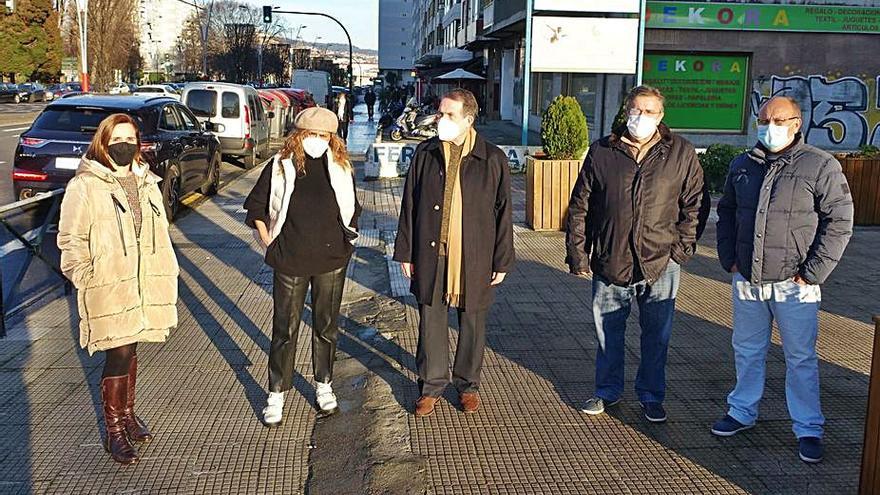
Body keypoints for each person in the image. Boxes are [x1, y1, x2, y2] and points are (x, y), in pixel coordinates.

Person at [711, 96, 853, 464]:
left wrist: (812, 272)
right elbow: (725, 212)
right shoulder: (743, 164)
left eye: (778, 119)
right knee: (746, 349)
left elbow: (839, 221)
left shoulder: (820, 165)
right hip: (748, 278)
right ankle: (742, 411)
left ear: (796, 122)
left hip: (796, 284)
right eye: (763, 119)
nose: (769, 126)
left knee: (801, 357)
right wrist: (730, 260)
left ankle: (808, 427)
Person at [566, 85, 709, 423]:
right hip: (611, 258)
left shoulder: (680, 152)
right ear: (625, 110)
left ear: (661, 117)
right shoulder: (603, 151)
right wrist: (578, 252)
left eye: (649, 112)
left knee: (657, 334)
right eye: (636, 110)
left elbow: (695, 205)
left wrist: (681, 250)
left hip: (661, 262)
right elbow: (580, 206)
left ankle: (651, 395)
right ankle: (607, 391)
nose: (641, 117)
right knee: (607, 332)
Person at [57, 113, 179, 465]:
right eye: (117, 139)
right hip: (108, 282)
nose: (124, 145)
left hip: (144, 279)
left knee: (133, 346)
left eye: (130, 138)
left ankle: (127, 415)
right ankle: (114, 431)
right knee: (118, 351)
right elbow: (70, 237)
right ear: (103, 142)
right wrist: (84, 275)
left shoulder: (146, 180)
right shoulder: (86, 185)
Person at [393, 88, 514, 417]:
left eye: (448, 115)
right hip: (431, 251)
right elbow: (410, 205)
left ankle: (467, 384)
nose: (440, 120)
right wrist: (405, 251)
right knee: (430, 320)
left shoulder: (492, 158)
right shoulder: (425, 154)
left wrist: (503, 259)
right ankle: (431, 385)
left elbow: (504, 213)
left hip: (474, 254)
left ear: (468, 119)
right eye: (439, 113)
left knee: (472, 321)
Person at [244, 107, 361, 426]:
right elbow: (255, 205)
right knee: (285, 327)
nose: (317, 141)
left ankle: (324, 386)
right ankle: (277, 393)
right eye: (311, 134)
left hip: (331, 259)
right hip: (291, 257)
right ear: (298, 135)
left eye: (324, 136)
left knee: (326, 326)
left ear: (332, 139)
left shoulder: (340, 166)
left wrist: (347, 239)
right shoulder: (280, 165)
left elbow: (353, 208)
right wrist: (267, 239)